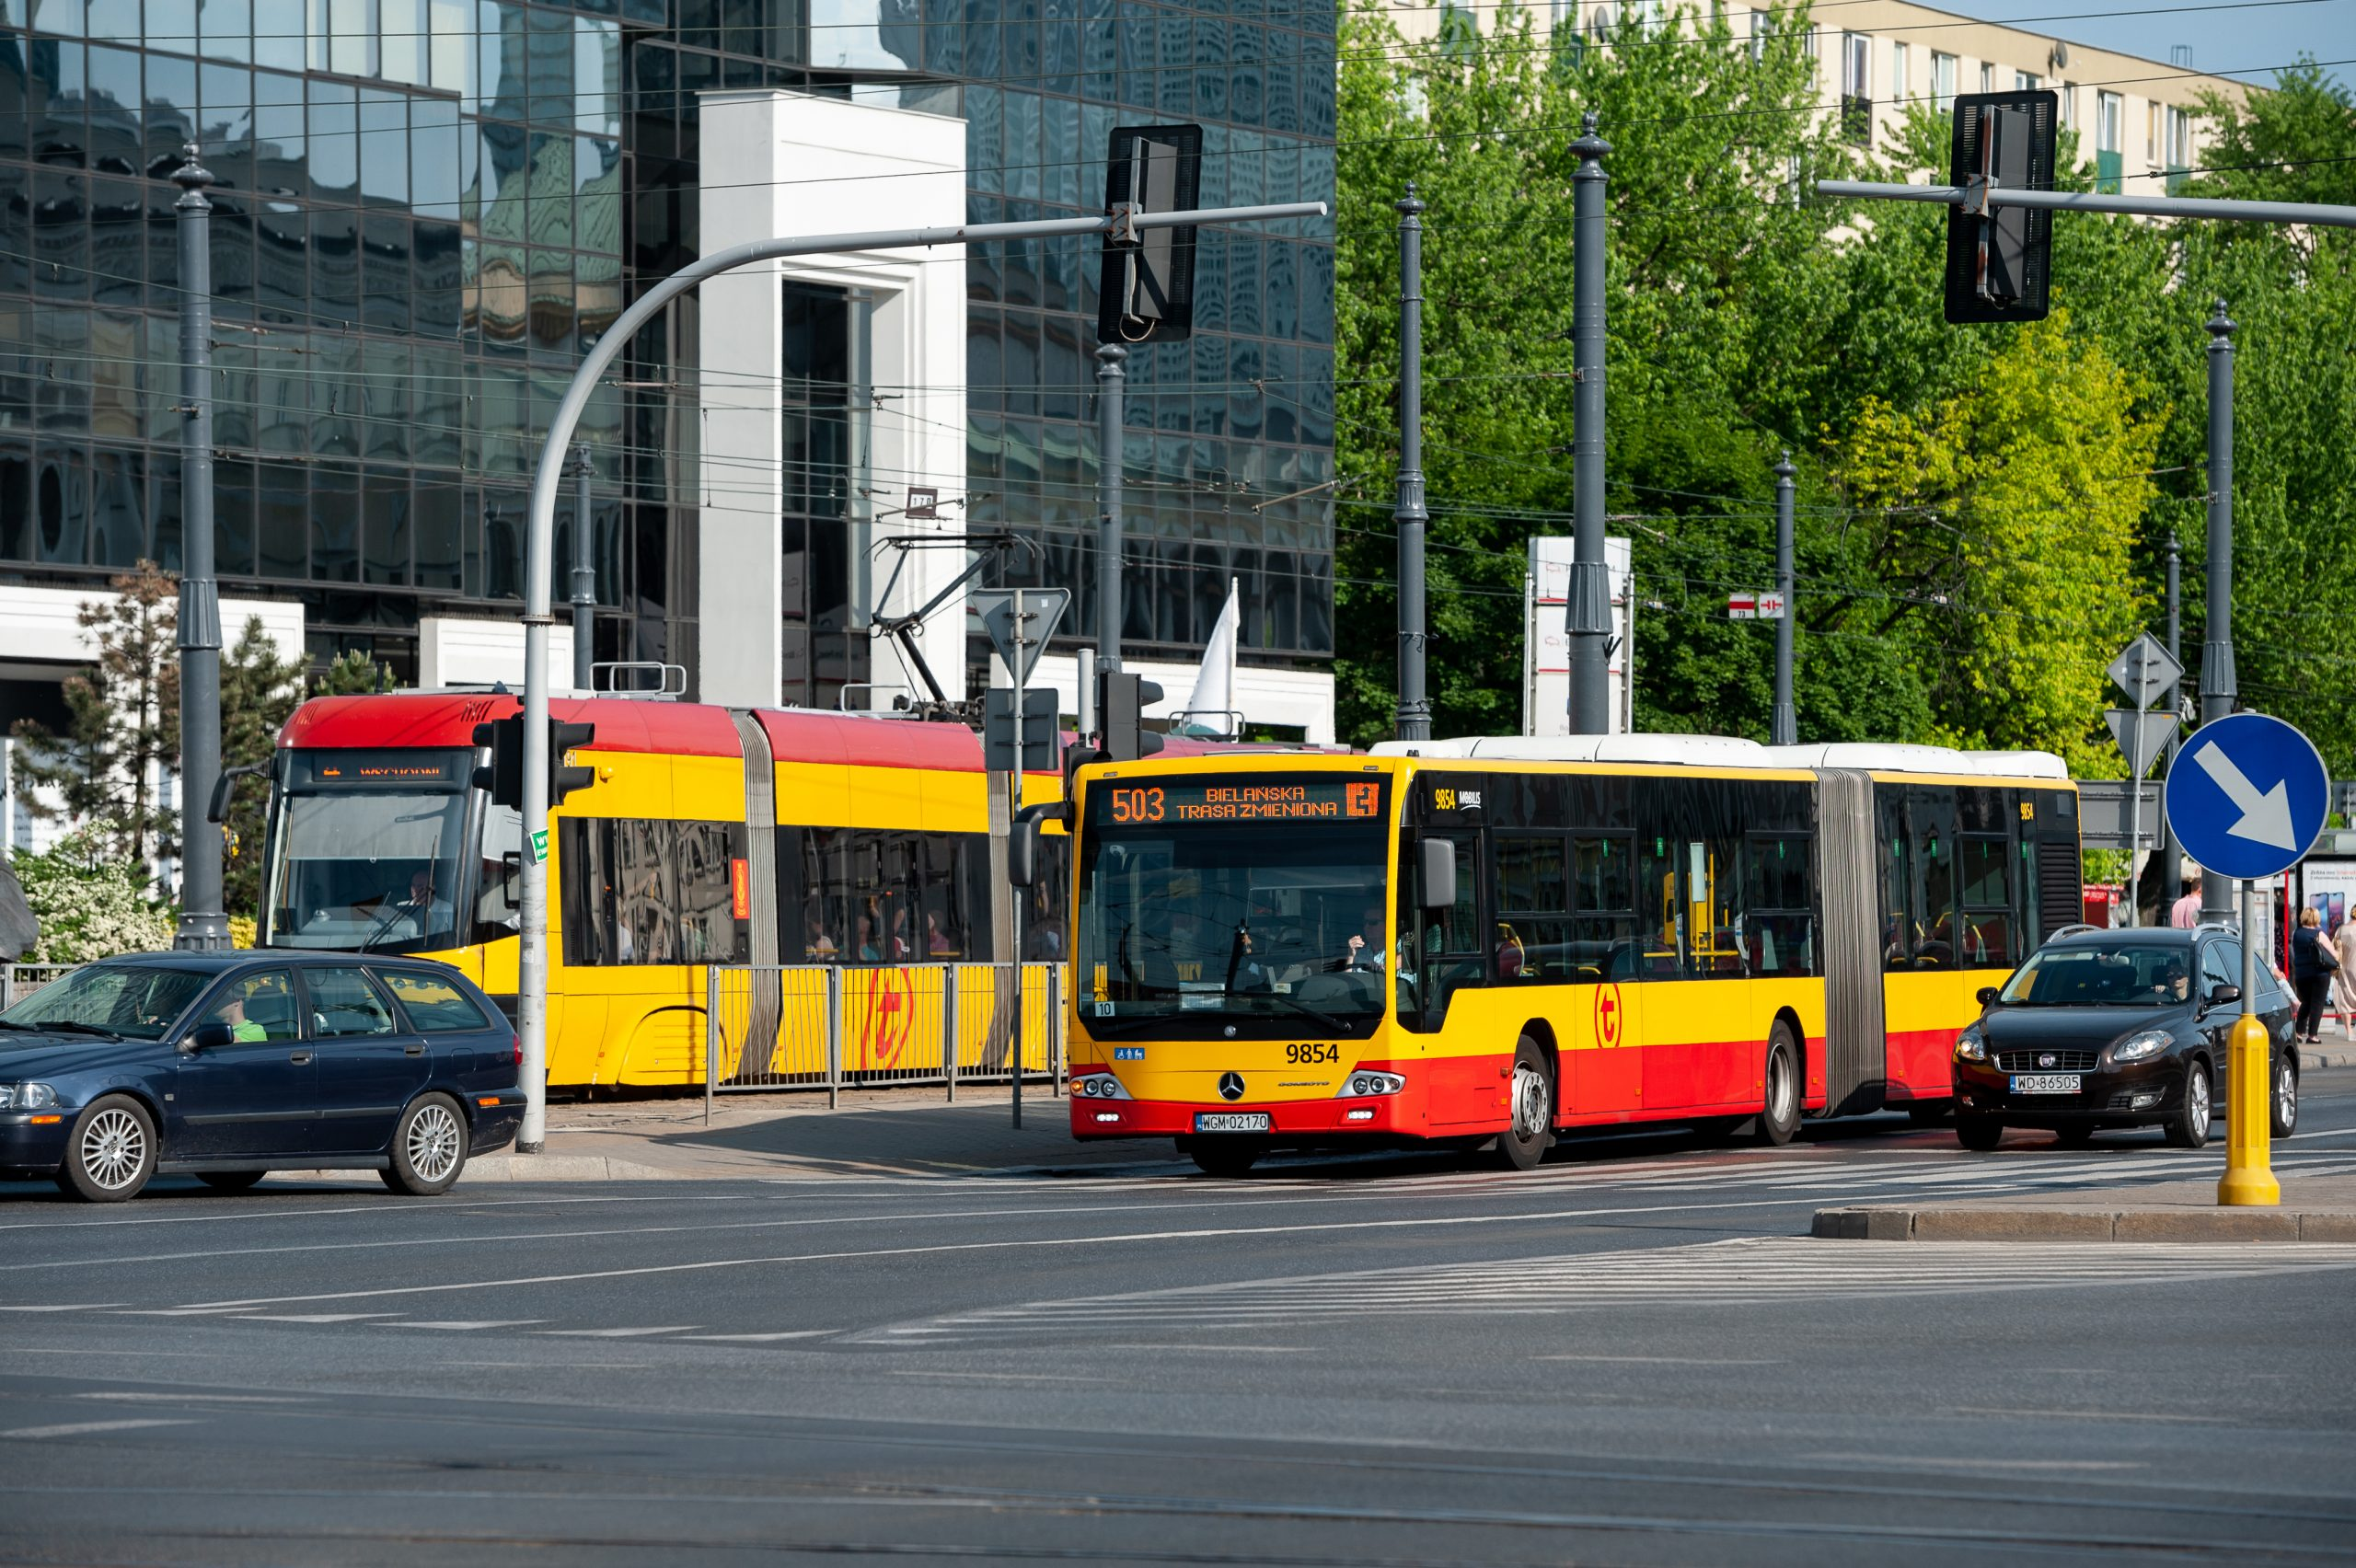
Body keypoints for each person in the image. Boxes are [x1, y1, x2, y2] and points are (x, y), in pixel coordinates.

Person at [2290, 905, 2334, 1044]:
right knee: (2317, 1004)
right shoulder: (2319, 934)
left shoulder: (2296, 933)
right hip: (2319, 974)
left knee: (2306, 1003)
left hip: (2301, 975)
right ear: (2316, 918)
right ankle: (2312, 1035)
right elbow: (2333, 954)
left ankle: (2298, 1033)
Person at [1341, 905, 1386, 971]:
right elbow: (1348, 979)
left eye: (1373, 922)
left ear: (1386, 925)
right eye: (1365, 923)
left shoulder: (1399, 948)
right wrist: (1351, 956)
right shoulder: (1359, 954)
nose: (1367, 927)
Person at [2335, 913, 2356, 1039]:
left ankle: (2349, 1032)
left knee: (2345, 1001)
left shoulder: (2341, 929)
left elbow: (2335, 948)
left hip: (2344, 969)